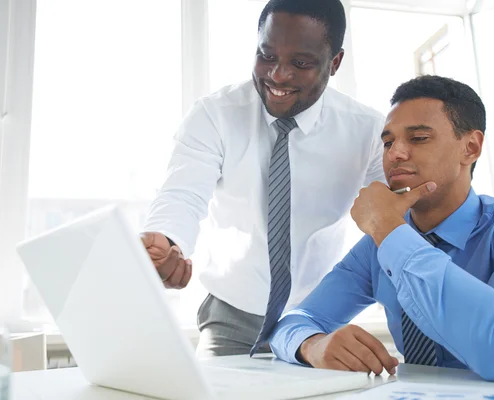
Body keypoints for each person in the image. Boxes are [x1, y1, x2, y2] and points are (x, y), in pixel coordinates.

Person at [140, 0, 386, 357]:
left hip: (317, 319)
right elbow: (182, 195)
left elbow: (390, 222)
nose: (278, 75)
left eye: (300, 63)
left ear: (334, 63)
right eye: (267, 55)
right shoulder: (216, 114)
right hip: (231, 318)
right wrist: (166, 239)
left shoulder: (368, 131)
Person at [269, 75, 494, 381]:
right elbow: (294, 322)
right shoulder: (379, 245)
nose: (394, 153)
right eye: (388, 142)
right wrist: (313, 345)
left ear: (470, 147)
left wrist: (388, 229)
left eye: (418, 138)